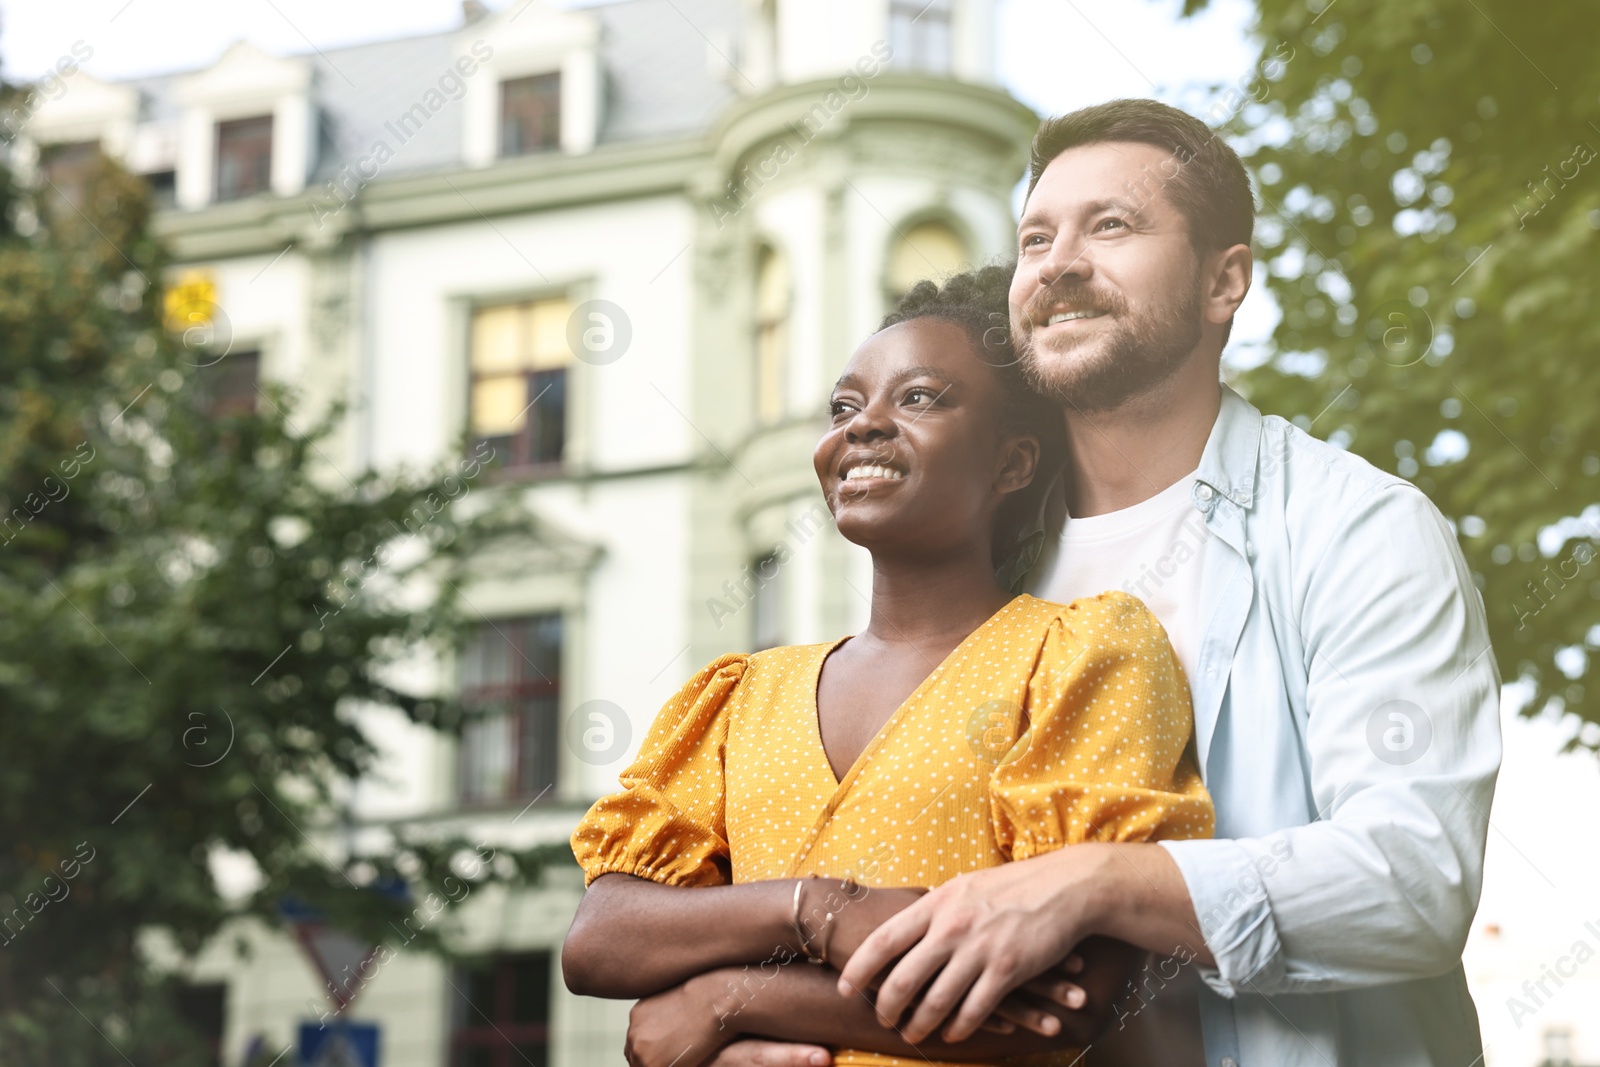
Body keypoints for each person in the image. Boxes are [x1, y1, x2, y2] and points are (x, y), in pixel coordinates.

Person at [835, 99, 1502, 1067]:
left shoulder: (1358, 529)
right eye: (1035, 236)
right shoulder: (979, 559)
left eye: (1111, 225)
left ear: (1222, 281)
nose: (1059, 262)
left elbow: (1412, 879)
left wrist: (1096, 879)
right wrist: (731, 1005)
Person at [561, 266, 1215, 1067]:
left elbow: (1065, 1000)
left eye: (920, 397)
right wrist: (822, 909)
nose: (863, 426)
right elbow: (600, 938)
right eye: (844, 406)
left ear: (1012, 462)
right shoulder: (740, 697)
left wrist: (726, 997)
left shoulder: (1083, 656)